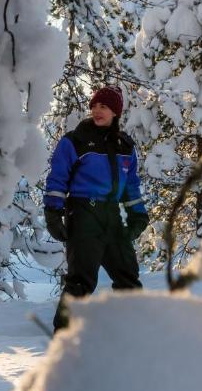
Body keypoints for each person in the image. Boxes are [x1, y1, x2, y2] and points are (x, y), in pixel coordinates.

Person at [44, 85, 150, 331]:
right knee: (81, 279)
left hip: (110, 215)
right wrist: (53, 212)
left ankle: (132, 330)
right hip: (82, 213)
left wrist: (138, 213)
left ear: (115, 112)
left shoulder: (125, 146)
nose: (97, 111)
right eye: (94, 106)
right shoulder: (75, 141)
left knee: (127, 275)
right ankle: (64, 333)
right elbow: (58, 177)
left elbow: (130, 184)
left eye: (104, 106)